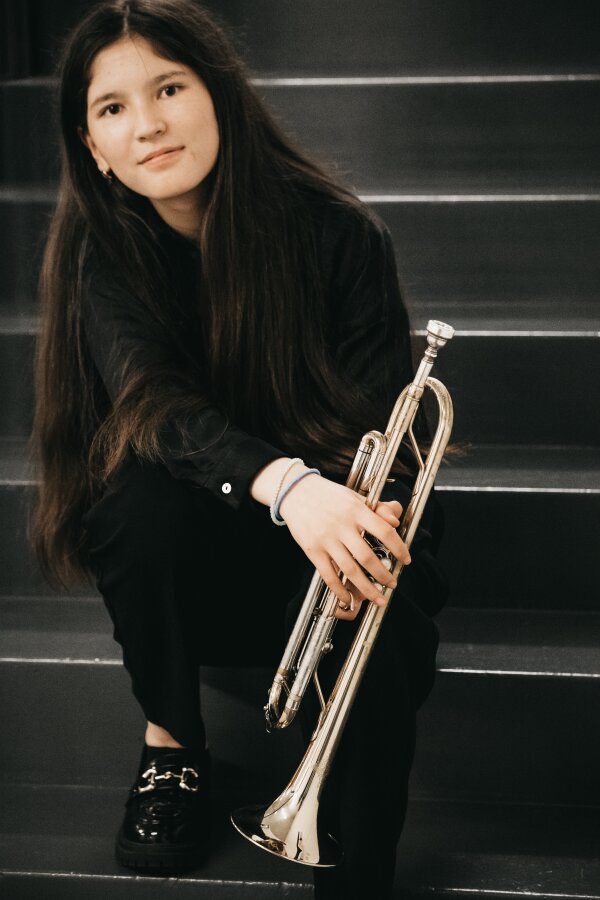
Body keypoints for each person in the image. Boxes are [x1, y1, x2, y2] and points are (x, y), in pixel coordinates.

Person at [28, 1, 448, 897]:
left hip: (320, 540)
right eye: (113, 108)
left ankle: (356, 869)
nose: (148, 124)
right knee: (133, 500)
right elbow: (154, 406)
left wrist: (351, 523)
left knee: (375, 587)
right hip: (205, 562)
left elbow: (384, 436)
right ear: (93, 146)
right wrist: (288, 486)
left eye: (169, 88)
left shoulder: (340, 234)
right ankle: (173, 744)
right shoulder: (102, 255)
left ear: (218, 92)